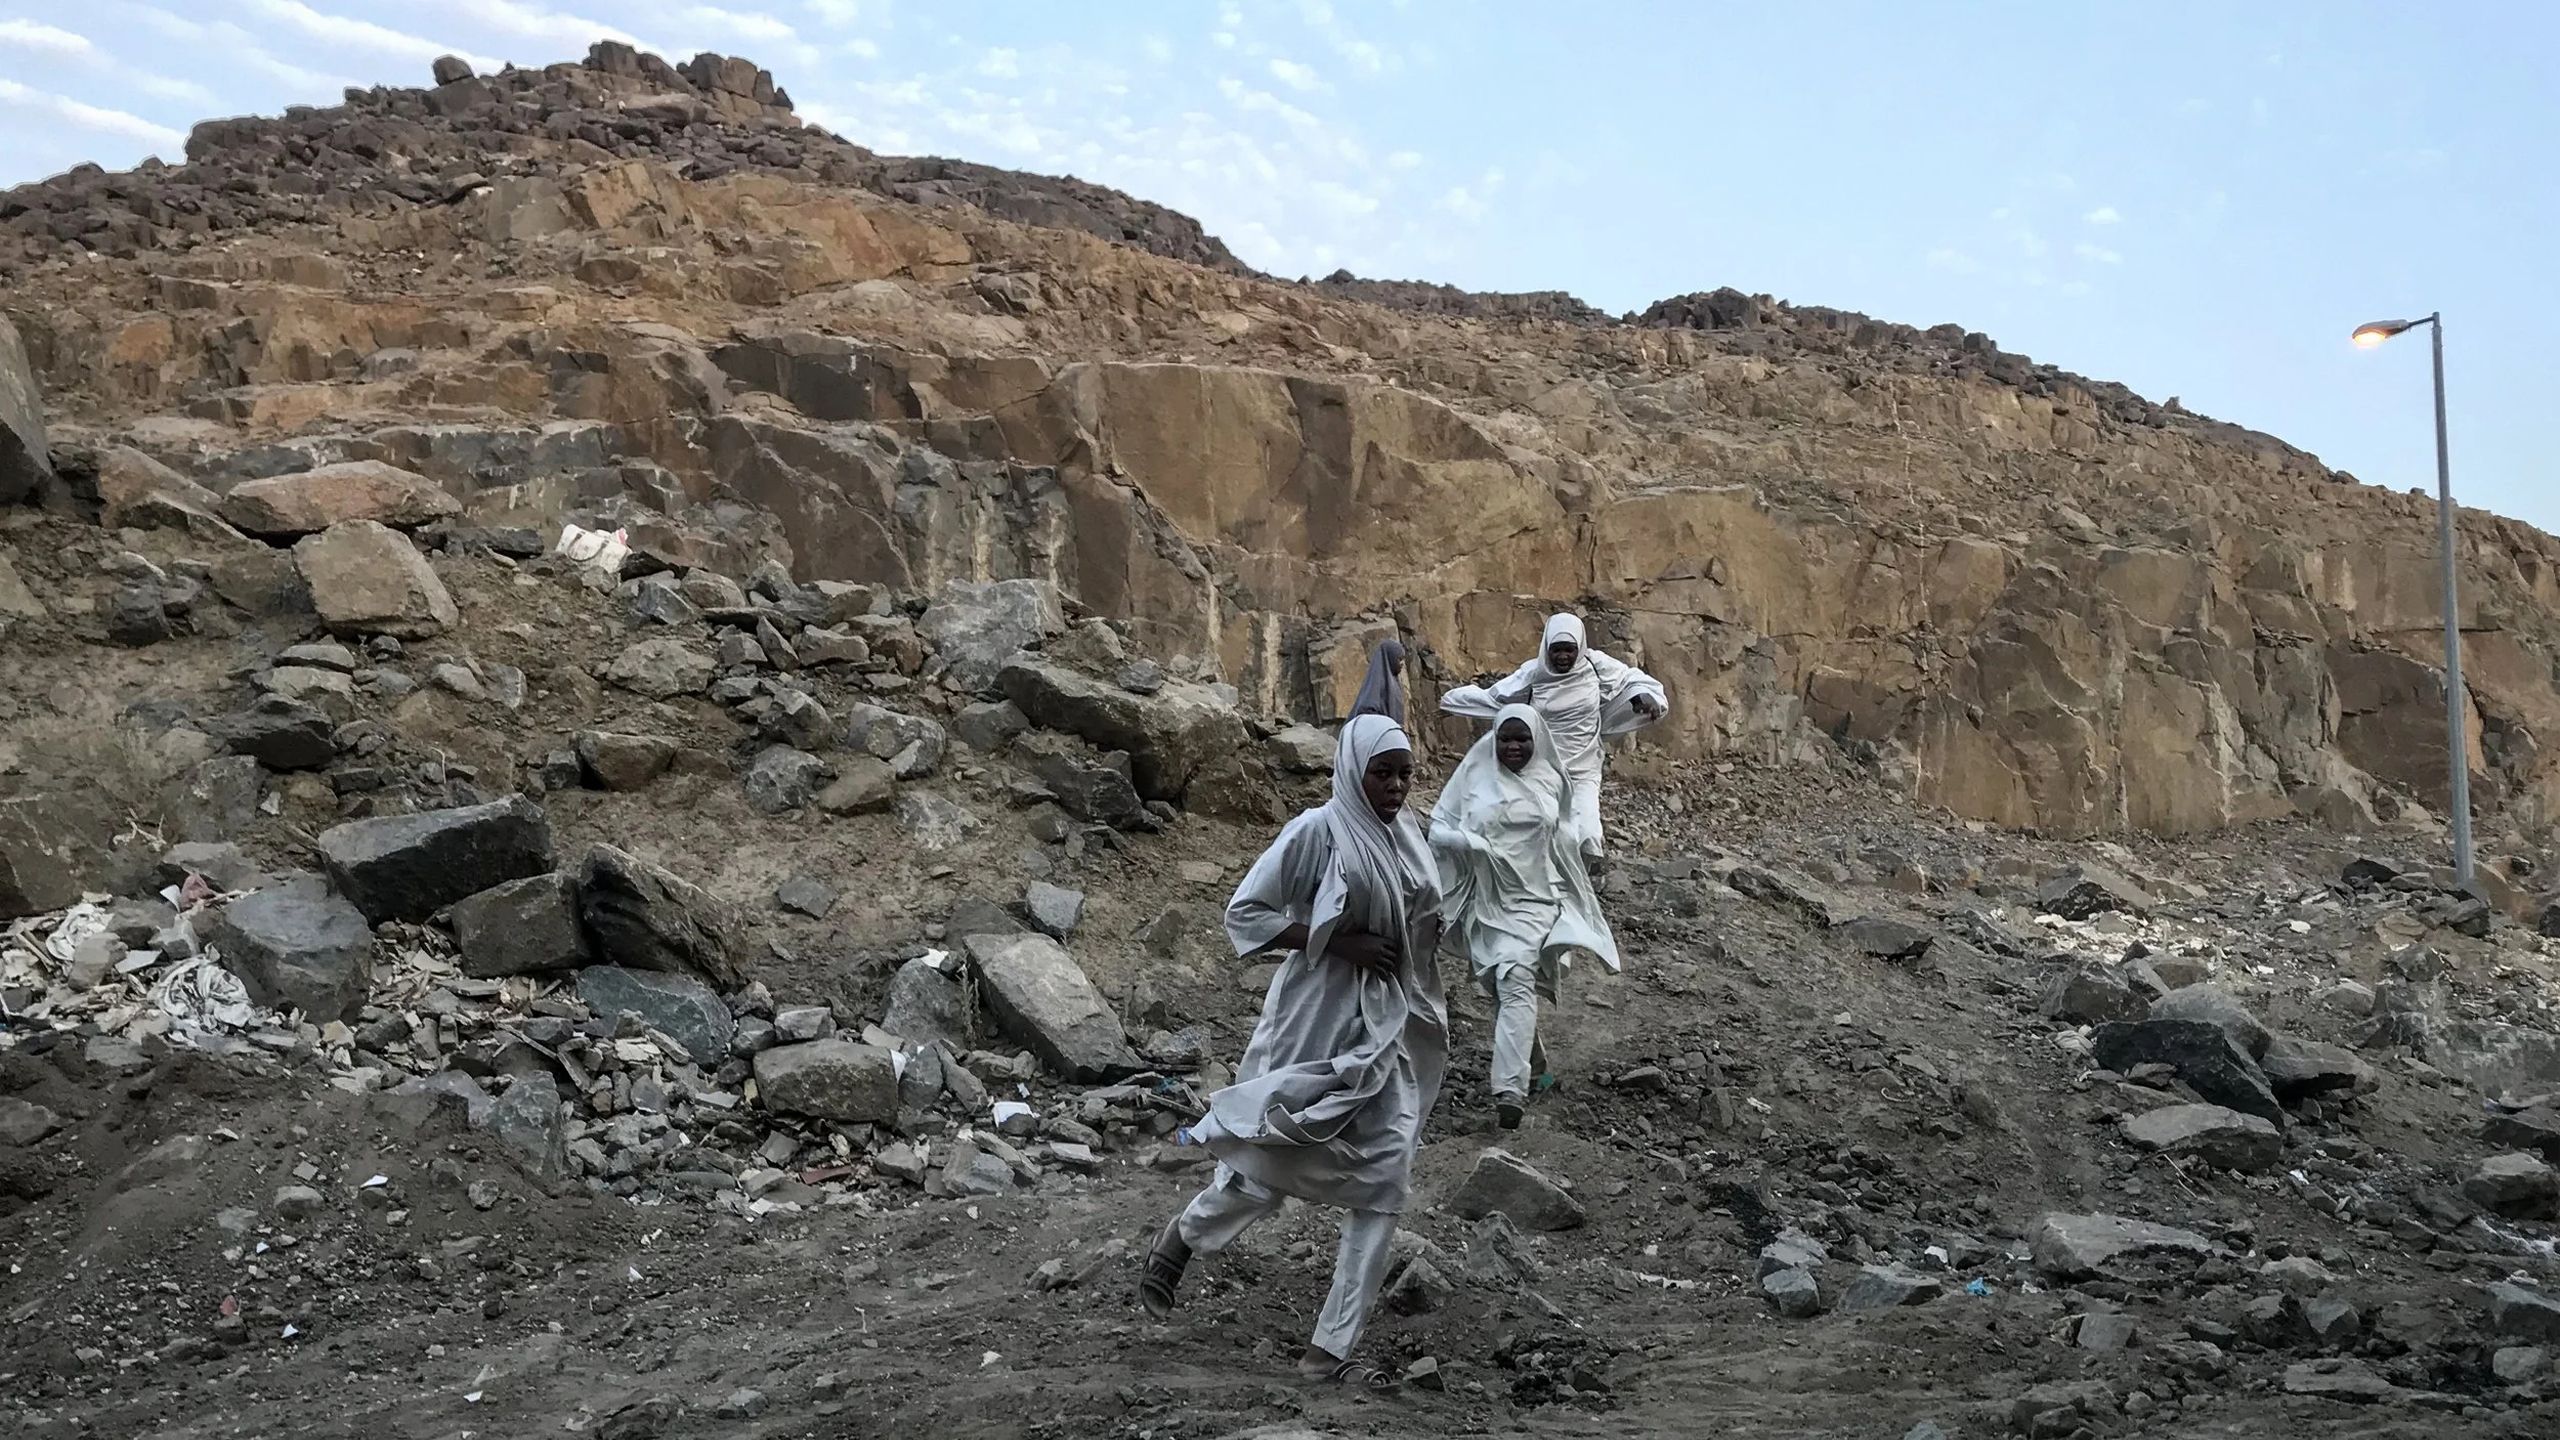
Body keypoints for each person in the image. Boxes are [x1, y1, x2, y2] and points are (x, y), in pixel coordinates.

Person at [1137, 714, 1445, 1394]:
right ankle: (1181, 1239)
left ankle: (1331, 1349)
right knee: (1265, 1167)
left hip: (1383, 1026)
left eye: (1403, 775)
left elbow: (1424, 914)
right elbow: (1245, 913)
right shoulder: (1317, 831)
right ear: (1352, 771)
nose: (1394, 786)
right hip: (1314, 1016)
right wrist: (1338, 941)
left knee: (1386, 1179)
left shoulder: (1412, 838)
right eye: (1382, 772)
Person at [1428, 705, 1618, 1130]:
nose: (1514, 746)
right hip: (1487, 902)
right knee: (1500, 988)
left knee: (1515, 980)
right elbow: (1437, 830)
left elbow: (1566, 828)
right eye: (1505, 739)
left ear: (1537, 740)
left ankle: (1509, 1090)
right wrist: (1469, 843)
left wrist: (1580, 856)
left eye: (1522, 739)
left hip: (1536, 901)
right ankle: (1536, 1066)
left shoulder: (1552, 778)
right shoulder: (1474, 777)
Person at [1441, 613, 1667, 864]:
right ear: (1546, 648)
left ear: (1579, 647)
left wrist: (1639, 696)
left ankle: (1586, 889)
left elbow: (1629, 679)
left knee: (1588, 833)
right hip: (1543, 766)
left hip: (1584, 766)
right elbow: (1495, 697)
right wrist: (1451, 700)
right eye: (1556, 650)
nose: (1562, 657)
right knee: (1539, 826)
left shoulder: (1596, 665)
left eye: (1569, 650)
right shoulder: (1535, 672)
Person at [1346, 637, 1407, 726]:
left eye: (1403, 659)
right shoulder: (1377, 683)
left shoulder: (1394, 682)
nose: (1402, 663)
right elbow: (1367, 709)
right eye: (1399, 659)